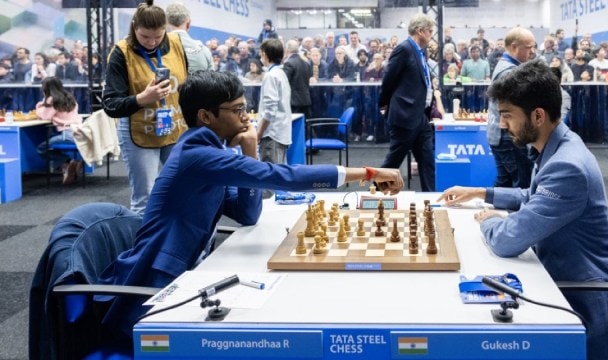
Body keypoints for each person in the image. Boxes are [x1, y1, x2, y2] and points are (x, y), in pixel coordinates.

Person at [97, 70, 404, 343]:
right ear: (206, 116)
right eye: (237, 110)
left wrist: (249, 151)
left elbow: (247, 213)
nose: (246, 117)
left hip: (190, 273)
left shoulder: (212, 152)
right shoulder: (197, 154)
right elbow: (283, 176)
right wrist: (368, 173)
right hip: (160, 288)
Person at [438, 60, 608, 360]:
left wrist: (487, 221)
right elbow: (533, 194)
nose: (502, 124)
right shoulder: (558, 144)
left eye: (508, 115)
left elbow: (506, 240)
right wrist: (481, 193)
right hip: (555, 277)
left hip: (579, 302)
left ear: (538, 116)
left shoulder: (568, 166)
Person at [102, 0, 188, 215]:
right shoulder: (121, 53)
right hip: (139, 133)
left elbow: (189, 86)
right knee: (145, 197)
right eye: (145, 37)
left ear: (165, 29)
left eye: (158, 36)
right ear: (134, 28)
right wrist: (142, 98)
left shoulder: (176, 44)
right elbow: (111, 104)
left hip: (175, 129)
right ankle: (144, 248)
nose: (151, 43)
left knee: (183, 190)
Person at [378, 13, 436, 192]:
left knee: (427, 162)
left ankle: (431, 201)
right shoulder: (404, 49)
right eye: (430, 31)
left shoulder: (421, 51)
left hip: (420, 116)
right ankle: (372, 196)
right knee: (392, 164)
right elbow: (388, 80)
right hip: (404, 115)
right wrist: (384, 104)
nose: (431, 36)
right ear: (420, 31)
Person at [486, 27, 536, 189]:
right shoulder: (511, 72)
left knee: (505, 183)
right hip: (509, 136)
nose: (532, 52)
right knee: (520, 185)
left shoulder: (505, 66)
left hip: (501, 135)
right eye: (528, 47)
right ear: (514, 46)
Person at [256, 39, 292, 197]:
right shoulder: (280, 73)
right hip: (280, 132)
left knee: (269, 181)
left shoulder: (271, 76)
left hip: (272, 134)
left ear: (265, 54)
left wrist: (258, 133)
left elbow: (270, 110)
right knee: (279, 177)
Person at [35, 77, 83, 184]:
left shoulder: (52, 99)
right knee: (51, 140)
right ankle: (68, 165)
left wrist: (39, 106)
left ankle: (66, 162)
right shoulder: (70, 97)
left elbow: (45, 116)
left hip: (67, 134)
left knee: (42, 148)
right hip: (79, 132)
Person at [165, 2, 212, 72]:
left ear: (166, 22)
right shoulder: (204, 51)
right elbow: (214, 80)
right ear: (189, 23)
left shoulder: (157, 48)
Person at [282, 39, 312, 119]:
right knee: (304, 127)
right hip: (306, 100)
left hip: (294, 102)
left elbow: (284, 81)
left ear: (287, 50)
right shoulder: (306, 63)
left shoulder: (288, 63)